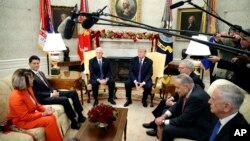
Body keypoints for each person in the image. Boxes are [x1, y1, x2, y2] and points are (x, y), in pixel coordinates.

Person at [143, 59, 205, 136]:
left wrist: (174, 103)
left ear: (188, 69)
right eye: (179, 68)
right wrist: (171, 98)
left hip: (188, 106)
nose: (179, 70)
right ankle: (155, 122)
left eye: (181, 68)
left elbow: (190, 100)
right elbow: (178, 91)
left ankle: (157, 126)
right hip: (181, 100)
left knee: (165, 107)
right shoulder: (184, 78)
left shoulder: (195, 80)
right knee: (164, 102)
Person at [29, 55, 85, 130]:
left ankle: (80, 116)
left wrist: (54, 90)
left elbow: (48, 85)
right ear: (29, 64)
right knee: (64, 99)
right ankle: (73, 122)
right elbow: (36, 94)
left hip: (51, 92)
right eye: (34, 63)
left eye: (37, 63)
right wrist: (51, 94)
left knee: (73, 93)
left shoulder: (41, 73)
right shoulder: (29, 76)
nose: (36, 65)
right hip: (42, 98)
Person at [7, 69, 63, 141]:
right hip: (22, 122)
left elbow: (36, 104)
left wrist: (46, 110)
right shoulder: (16, 97)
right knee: (49, 120)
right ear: (25, 82)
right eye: (31, 78)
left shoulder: (29, 88)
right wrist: (43, 114)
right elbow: (25, 117)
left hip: (30, 115)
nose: (33, 79)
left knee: (51, 116)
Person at [155, 74, 213, 141]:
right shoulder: (190, 89)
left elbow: (184, 120)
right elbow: (176, 106)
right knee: (165, 112)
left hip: (199, 128)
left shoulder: (196, 97)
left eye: (177, 88)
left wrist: (163, 122)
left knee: (168, 129)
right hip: (190, 118)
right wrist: (163, 117)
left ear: (186, 87)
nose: (175, 90)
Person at [208, 29, 250, 93]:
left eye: (244, 39)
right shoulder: (244, 47)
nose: (241, 41)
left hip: (243, 85)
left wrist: (219, 60)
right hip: (236, 82)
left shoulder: (231, 42)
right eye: (230, 32)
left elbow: (238, 67)